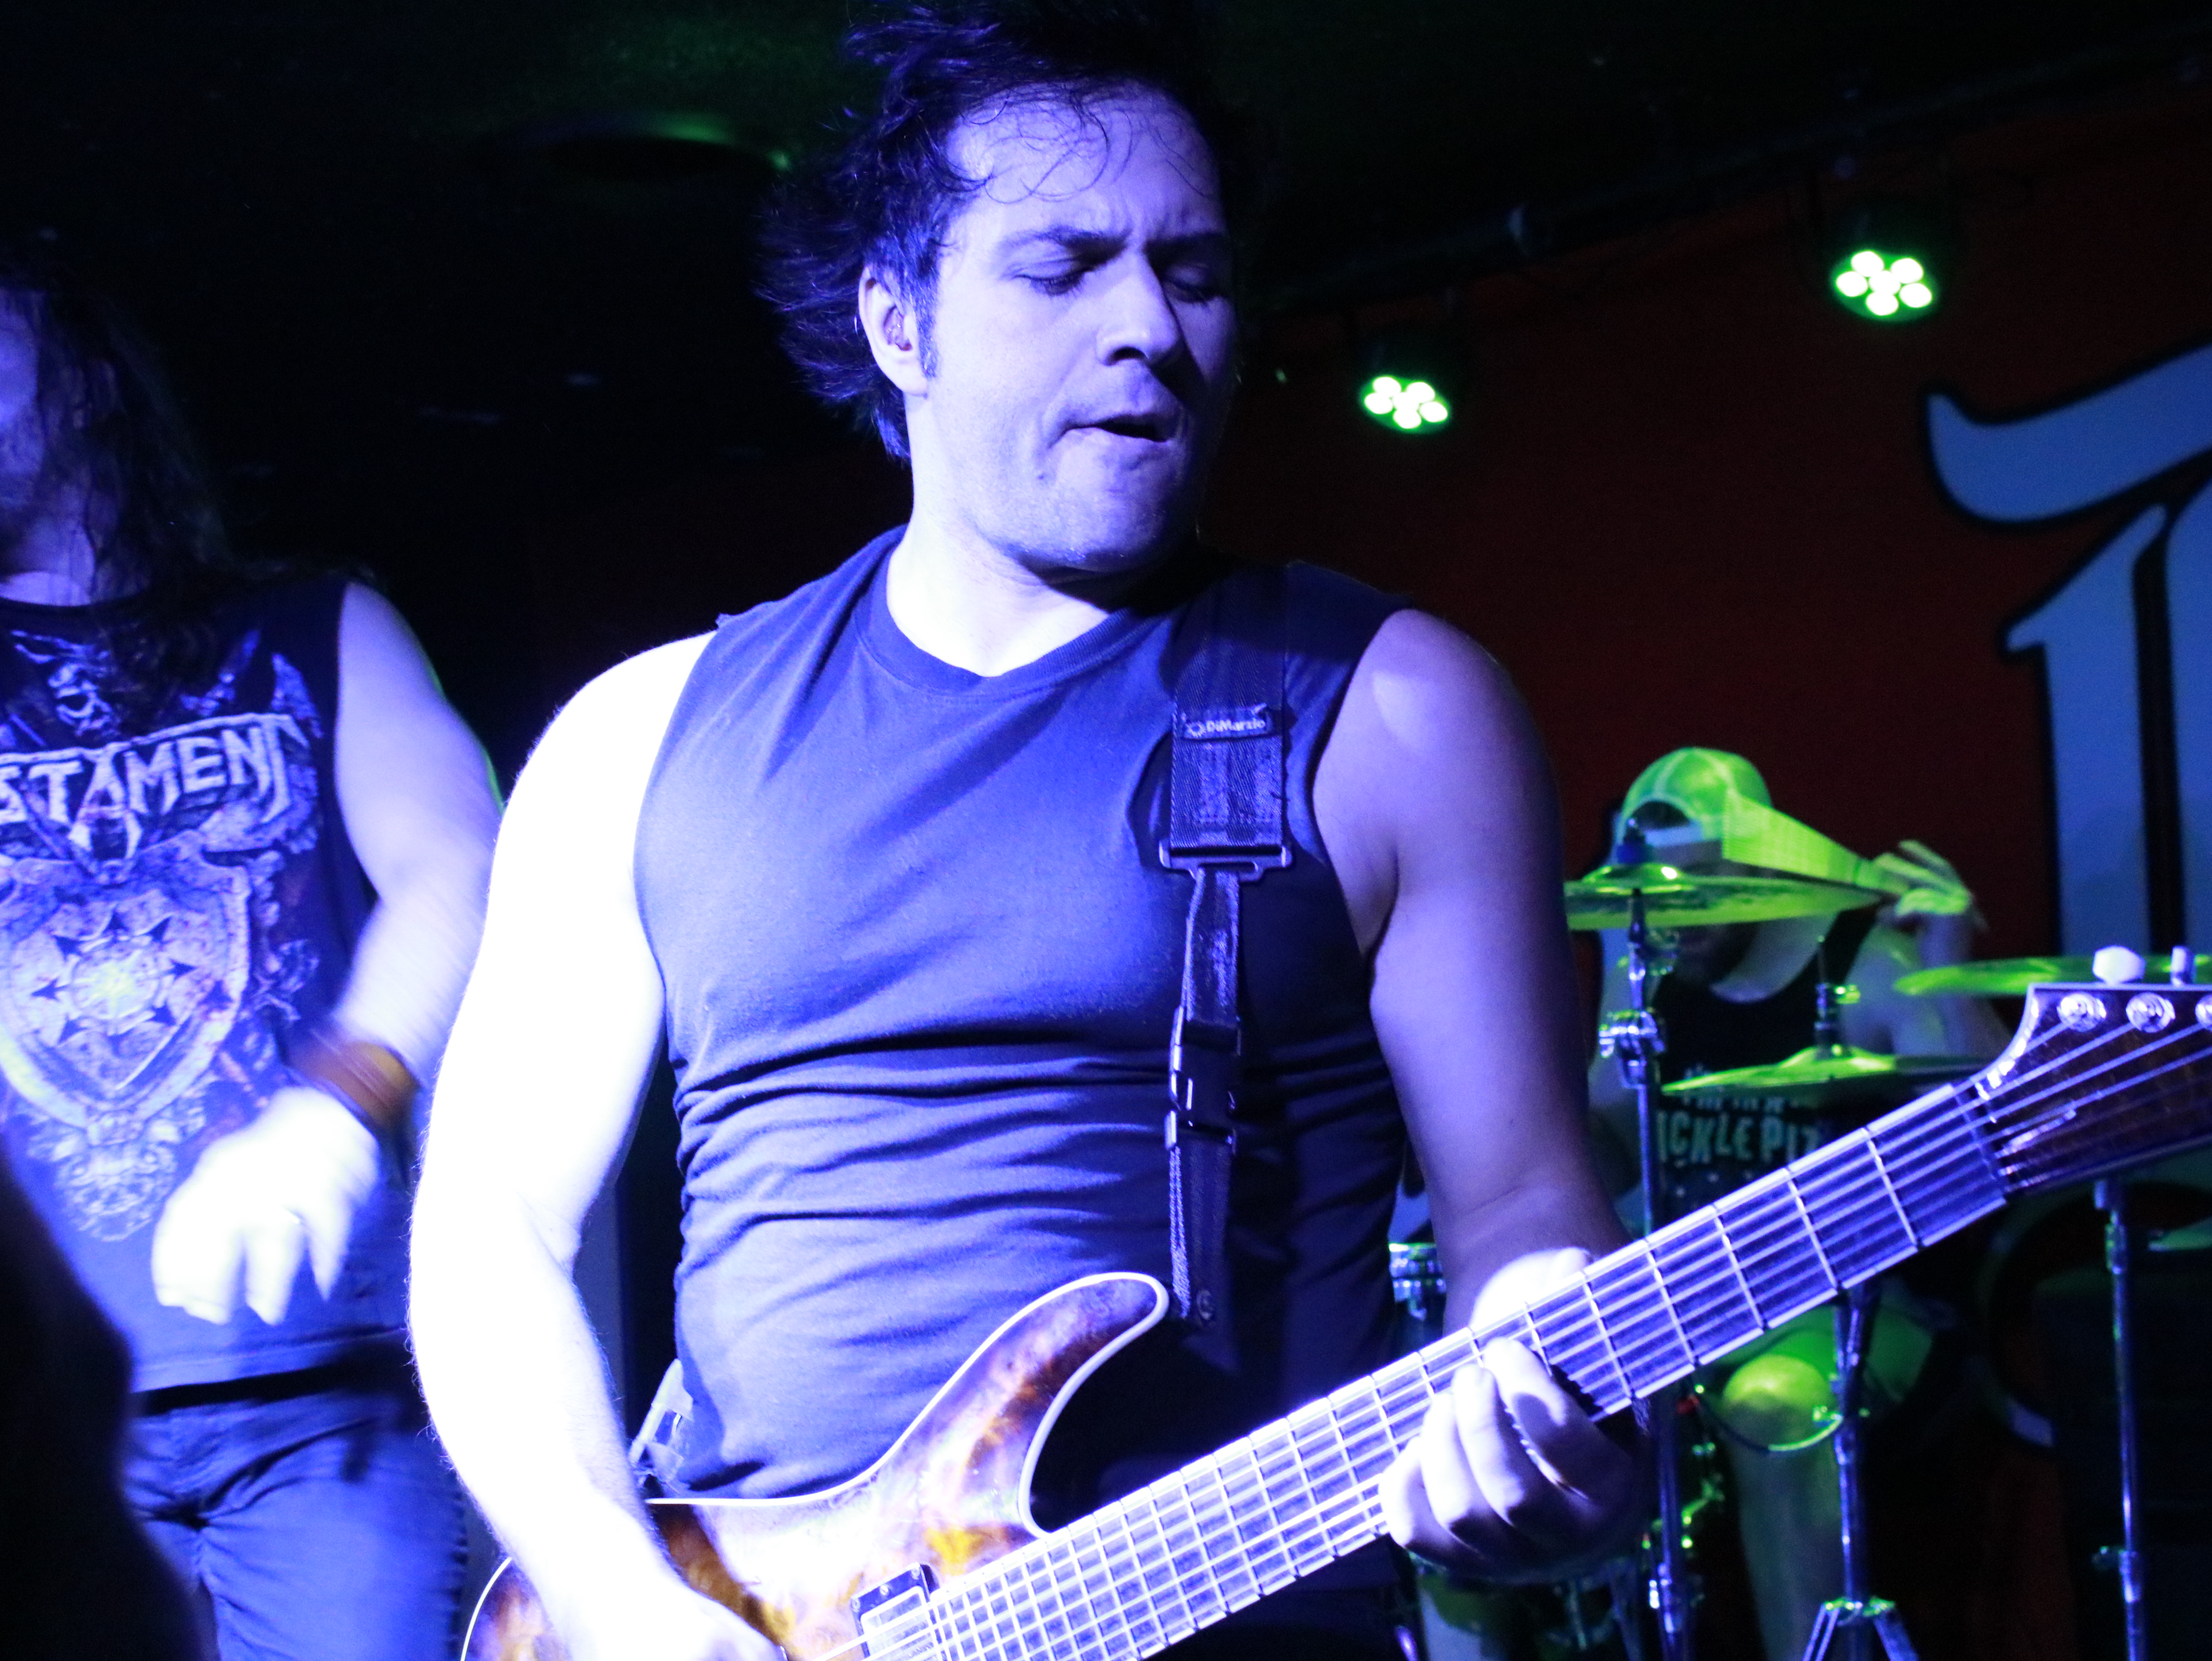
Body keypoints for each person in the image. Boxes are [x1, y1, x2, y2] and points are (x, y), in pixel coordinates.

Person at [410, 7, 1646, 1659]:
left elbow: (1521, 1221)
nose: (1149, 326)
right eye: (1062, 268)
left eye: (1192, 272)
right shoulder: (638, 739)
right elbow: (489, 1232)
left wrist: (1556, 1433)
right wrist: (610, 1592)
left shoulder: (1389, 708)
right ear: (897, 322)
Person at [0, 253, 502, 1660]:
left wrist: (335, 1110)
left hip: (320, 1387)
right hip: (40, 1404)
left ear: (82, 382)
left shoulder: (314, 624)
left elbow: (458, 864)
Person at [1585, 746, 2007, 1661]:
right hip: (1693, 1315)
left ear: (1754, 864)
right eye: (1657, 896)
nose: (1676, 919)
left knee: (1774, 1405)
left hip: (1858, 1311)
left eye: (1699, 892)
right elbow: (1603, 1159)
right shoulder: (1653, 975)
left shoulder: (1864, 966)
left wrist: (1949, 969)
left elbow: (2001, 1142)